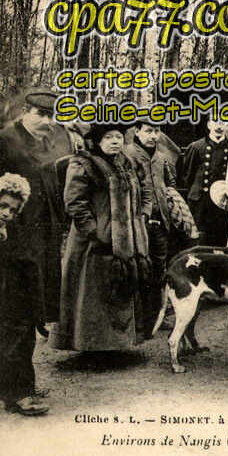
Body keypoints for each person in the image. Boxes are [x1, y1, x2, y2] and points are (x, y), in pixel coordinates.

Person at [50, 123, 151, 351]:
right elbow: (75, 202)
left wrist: (143, 215)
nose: (115, 141)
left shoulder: (128, 163)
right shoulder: (83, 163)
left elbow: (145, 190)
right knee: (93, 294)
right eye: (109, 137)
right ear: (97, 141)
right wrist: (94, 231)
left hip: (127, 240)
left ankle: (119, 343)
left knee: (121, 288)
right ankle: (94, 347)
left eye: (118, 137)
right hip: (93, 245)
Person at [0, 88, 81, 324]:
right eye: (40, 114)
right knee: (13, 303)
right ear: (25, 112)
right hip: (14, 233)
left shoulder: (52, 142)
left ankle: (25, 357)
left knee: (35, 302)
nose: (47, 121)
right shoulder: (6, 140)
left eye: (51, 115)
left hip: (45, 233)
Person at [0, 173, 50, 416]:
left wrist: (37, 310)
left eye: (13, 210)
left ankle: (19, 392)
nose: (7, 213)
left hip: (14, 299)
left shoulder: (16, 233)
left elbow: (29, 266)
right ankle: (16, 393)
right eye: (2, 206)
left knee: (20, 344)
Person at [124, 121, 177, 334]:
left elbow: (170, 184)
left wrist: (171, 207)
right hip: (137, 223)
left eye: (157, 131)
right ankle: (138, 320)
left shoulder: (161, 156)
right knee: (139, 270)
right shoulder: (127, 155)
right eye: (148, 131)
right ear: (137, 132)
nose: (153, 136)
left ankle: (156, 316)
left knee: (159, 269)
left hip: (160, 222)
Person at [177, 117, 228, 247]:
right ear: (208, 125)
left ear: (227, 126)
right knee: (198, 240)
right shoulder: (197, 146)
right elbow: (187, 175)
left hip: (222, 202)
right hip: (200, 203)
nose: (219, 126)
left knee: (220, 239)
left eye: (222, 123)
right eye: (215, 122)